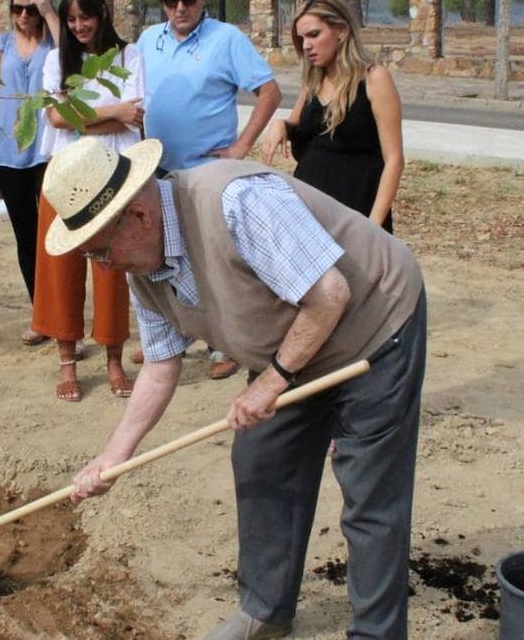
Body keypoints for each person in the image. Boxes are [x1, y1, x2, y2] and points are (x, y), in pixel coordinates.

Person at [44, 137, 427, 639]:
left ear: (137, 215)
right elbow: (161, 366)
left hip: (374, 325)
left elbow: (329, 295)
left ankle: (376, 633)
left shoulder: (236, 202)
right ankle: (265, 611)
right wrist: (113, 457)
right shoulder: (143, 268)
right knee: (263, 459)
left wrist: (270, 382)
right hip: (294, 347)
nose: (101, 266)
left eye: (99, 249)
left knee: (369, 495)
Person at [135, 0, 283, 380]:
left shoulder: (226, 39)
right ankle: (164, 341)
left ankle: (226, 345)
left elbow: (269, 91)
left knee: (214, 261)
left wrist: (241, 146)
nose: (180, 7)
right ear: (162, 2)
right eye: (171, 0)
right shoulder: (148, 41)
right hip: (158, 173)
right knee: (161, 258)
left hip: (207, 175)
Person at [34, 0, 143, 401]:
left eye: (87, 17)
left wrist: (90, 114)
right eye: (72, 19)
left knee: (112, 267)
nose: (79, 26)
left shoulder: (128, 55)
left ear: (103, 14)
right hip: (65, 172)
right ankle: (66, 361)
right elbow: (56, 119)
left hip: (115, 172)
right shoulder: (56, 60)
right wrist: (112, 109)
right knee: (62, 265)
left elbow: (132, 117)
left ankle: (114, 359)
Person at [261, 0, 403, 232]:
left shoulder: (373, 78)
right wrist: (281, 124)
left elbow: (394, 160)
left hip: (355, 211)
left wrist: (373, 228)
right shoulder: (313, 81)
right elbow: (295, 123)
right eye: (301, 38)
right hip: (307, 210)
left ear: (342, 30)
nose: (306, 45)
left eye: (314, 34)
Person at [0, 0, 59, 346]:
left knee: (55, 234)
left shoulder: (54, 40)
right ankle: (41, 314)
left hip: (47, 147)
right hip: (9, 150)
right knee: (26, 236)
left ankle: (62, 311)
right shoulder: (1, 43)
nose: (24, 15)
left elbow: (70, 59)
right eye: (17, 8)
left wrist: (50, 11)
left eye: (31, 8)